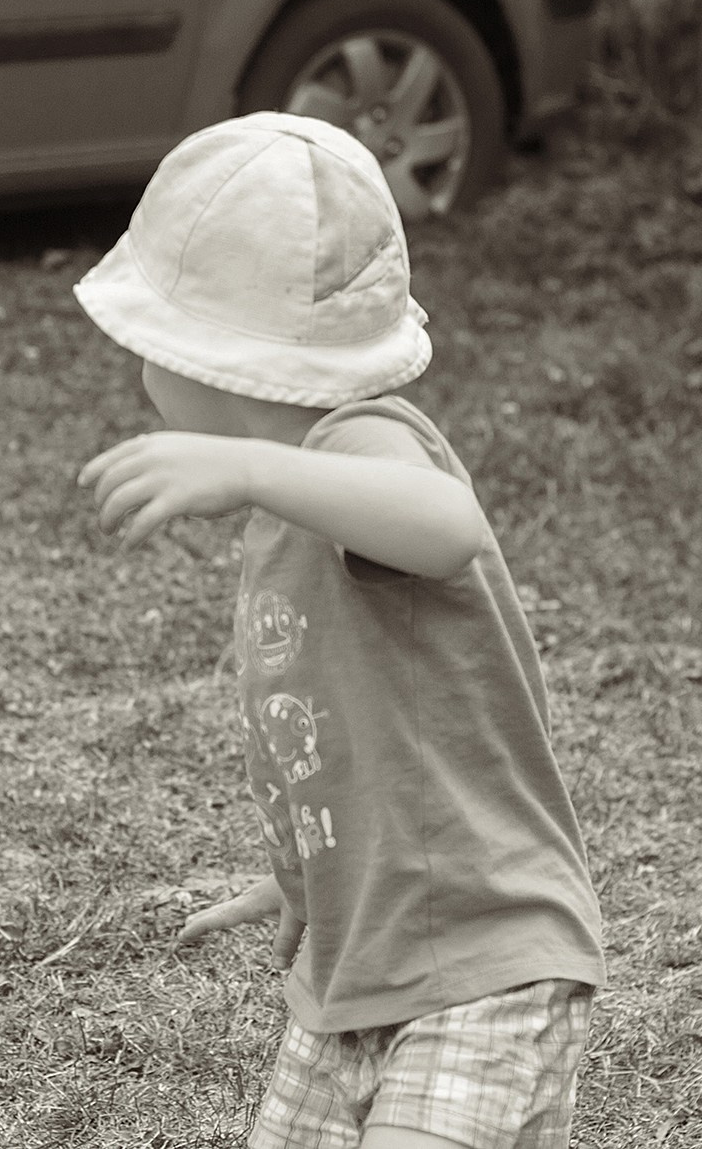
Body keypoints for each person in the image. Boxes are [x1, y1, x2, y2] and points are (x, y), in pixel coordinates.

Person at [75, 112, 605, 1149]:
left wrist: (245, 466)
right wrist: (304, 877)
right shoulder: (297, 508)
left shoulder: (366, 441)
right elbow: (343, 733)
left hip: (483, 964)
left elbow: (447, 527)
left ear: (210, 362)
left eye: (145, 348)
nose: (140, 373)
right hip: (358, 972)